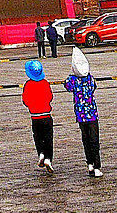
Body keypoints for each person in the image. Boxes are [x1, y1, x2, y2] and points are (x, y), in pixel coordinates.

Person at [65, 47, 104, 178]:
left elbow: (66, 86)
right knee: (94, 140)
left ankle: (90, 164)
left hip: (81, 115)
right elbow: (94, 87)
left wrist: (72, 73)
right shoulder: (90, 79)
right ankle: (97, 166)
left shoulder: (72, 81)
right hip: (92, 114)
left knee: (86, 139)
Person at [22, 58, 56, 172]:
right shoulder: (45, 83)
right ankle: (48, 158)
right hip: (46, 115)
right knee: (48, 138)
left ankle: (40, 153)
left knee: (38, 136)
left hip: (35, 116)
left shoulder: (28, 85)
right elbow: (50, 97)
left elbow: (25, 100)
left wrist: (32, 106)